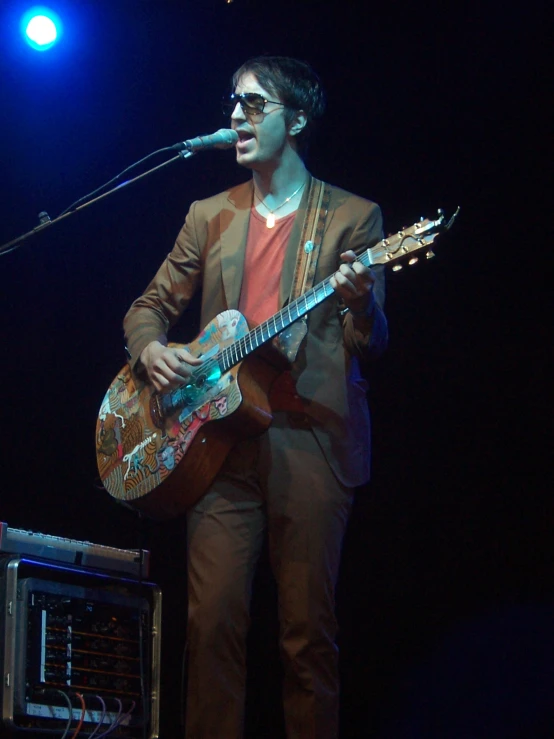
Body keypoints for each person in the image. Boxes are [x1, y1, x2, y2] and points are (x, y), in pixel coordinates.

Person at [123, 56, 388, 739]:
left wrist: (363, 305)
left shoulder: (353, 217)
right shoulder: (209, 213)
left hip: (309, 437)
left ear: (296, 120)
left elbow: (369, 340)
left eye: (254, 104)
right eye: (233, 104)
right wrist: (151, 349)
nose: (236, 117)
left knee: (306, 635)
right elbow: (148, 307)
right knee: (209, 627)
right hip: (218, 440)